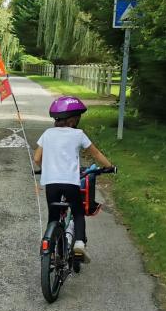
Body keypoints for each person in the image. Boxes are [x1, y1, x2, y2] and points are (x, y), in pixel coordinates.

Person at [33, 96, 113, 260]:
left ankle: (51, 248)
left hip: (51, 184)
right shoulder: (78, 134)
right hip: (70, 183)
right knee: (77, 212)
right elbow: (96, 153)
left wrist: (45, 168)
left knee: (53, 216)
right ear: (73, 121)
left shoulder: (47, 133)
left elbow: (36, 158)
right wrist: (109, 167)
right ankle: (78, 244)